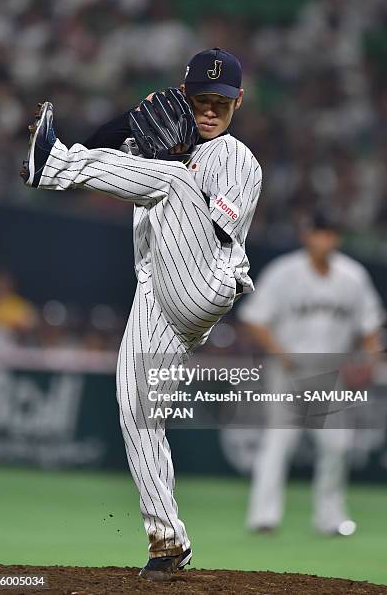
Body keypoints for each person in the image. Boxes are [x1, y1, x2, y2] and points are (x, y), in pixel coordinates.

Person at [21, 48, 262, 580]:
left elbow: (213, 226)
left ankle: (53, 166)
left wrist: (168, 164)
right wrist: (133, 121)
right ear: (184, 94)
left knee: (173, 182)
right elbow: (103, 143)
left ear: (237, 102)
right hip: (155, 292)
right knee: (134, 406)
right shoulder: (165, 129)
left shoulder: (238, 158)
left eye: (220, 102)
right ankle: (168, 542)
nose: (208, 111)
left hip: (205, 283)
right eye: (199, 99)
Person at [237, 212, 384, 536]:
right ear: (308, 236)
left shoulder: (352, 276)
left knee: (337, 446)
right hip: (288, 370)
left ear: (337, 238)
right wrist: (281, 353)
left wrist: (372, 361)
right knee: (279, 443)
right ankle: (264, 517)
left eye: (331, 234)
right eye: (320, 233)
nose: (325, 240)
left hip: (329, 374)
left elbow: (370, 324)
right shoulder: (284, 272)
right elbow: (254, 319)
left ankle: (330, 518)